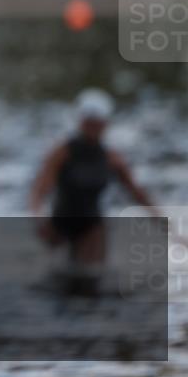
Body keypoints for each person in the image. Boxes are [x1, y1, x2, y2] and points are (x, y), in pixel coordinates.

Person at [30, 88, 154, 265]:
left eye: (98, 123)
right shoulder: (62, 153)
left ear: (105, 124)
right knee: (57, 280)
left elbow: (138, 195)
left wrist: (172, 232)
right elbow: (39, 192)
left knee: (90, 278)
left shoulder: (112, 158)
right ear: (80, 121)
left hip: (92, 226)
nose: (93, 128)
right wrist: (39, 219)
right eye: (89, 123)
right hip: (60, 223)